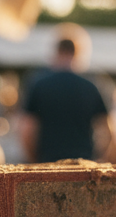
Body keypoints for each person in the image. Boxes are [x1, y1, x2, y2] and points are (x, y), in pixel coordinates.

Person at [20, 34, 111, 162]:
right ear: (79, 53)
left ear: (56, 52)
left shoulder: (39, 84)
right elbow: (111, 131)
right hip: (83, 165)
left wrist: (34, 160)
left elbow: (26, 131)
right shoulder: (91, 87)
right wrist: (100, 159)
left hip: (48, 163)